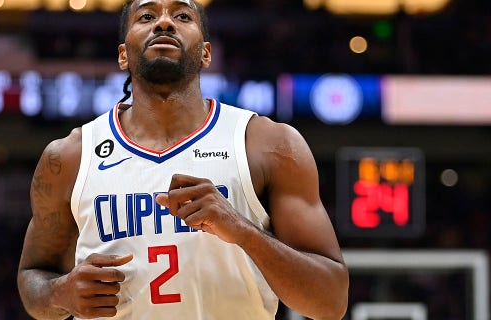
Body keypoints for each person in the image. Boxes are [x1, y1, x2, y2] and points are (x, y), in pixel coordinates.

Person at [17, 0, 349, 319]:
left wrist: (244, 231)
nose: (164, 22)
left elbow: (331, 301)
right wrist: (60, 293)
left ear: (206, 53)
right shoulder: (70, 156)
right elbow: (33, 276)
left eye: (182, 16)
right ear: (122, 55)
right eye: (146, 17)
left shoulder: (267, 144)